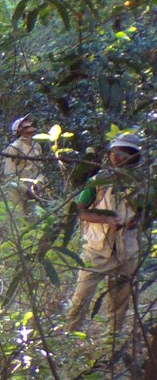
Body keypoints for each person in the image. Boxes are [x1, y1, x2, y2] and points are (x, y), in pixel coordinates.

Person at [65, 133, 148, 337]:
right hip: (97, 250)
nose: (117, 158)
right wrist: (106, 220)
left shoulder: (140, 184)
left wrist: (134, 222)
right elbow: (79, 210)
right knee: (81, 297)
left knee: (120, 303)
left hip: (127, 251)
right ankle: (68, 336)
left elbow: (146, 212)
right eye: (115, 153)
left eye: (123, 154)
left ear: (134, 157)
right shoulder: (99, 181)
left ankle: (112, 341)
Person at [3, 114, 45, 206]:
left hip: (35, 191)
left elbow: (40, 169)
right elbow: (9, 175)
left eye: (29, 122)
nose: (29, 124)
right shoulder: (14, 147)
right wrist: (26, 190)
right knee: (18, 218)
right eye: (25, 123)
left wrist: (39, 182)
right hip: (17, 192)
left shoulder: (36, 146)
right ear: (19, 129)